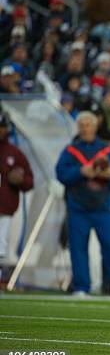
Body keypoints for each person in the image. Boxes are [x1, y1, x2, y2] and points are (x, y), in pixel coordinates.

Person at [55, 111, 110, 296]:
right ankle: (81, 286)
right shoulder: (71, 150)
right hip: (78, 207)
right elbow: (61, 174)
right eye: (82, 125)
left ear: (95, 127)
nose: (85, 128)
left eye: (89, 125)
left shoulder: (109, 149)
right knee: (78, 248)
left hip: (103, 206)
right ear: (78, 128)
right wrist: (81, 171)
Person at [0, 112, 33, 280]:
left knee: (2, 245)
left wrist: (19, 180)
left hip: (5, 207)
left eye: (2, 127)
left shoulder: (14, 153)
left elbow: (29, 181)